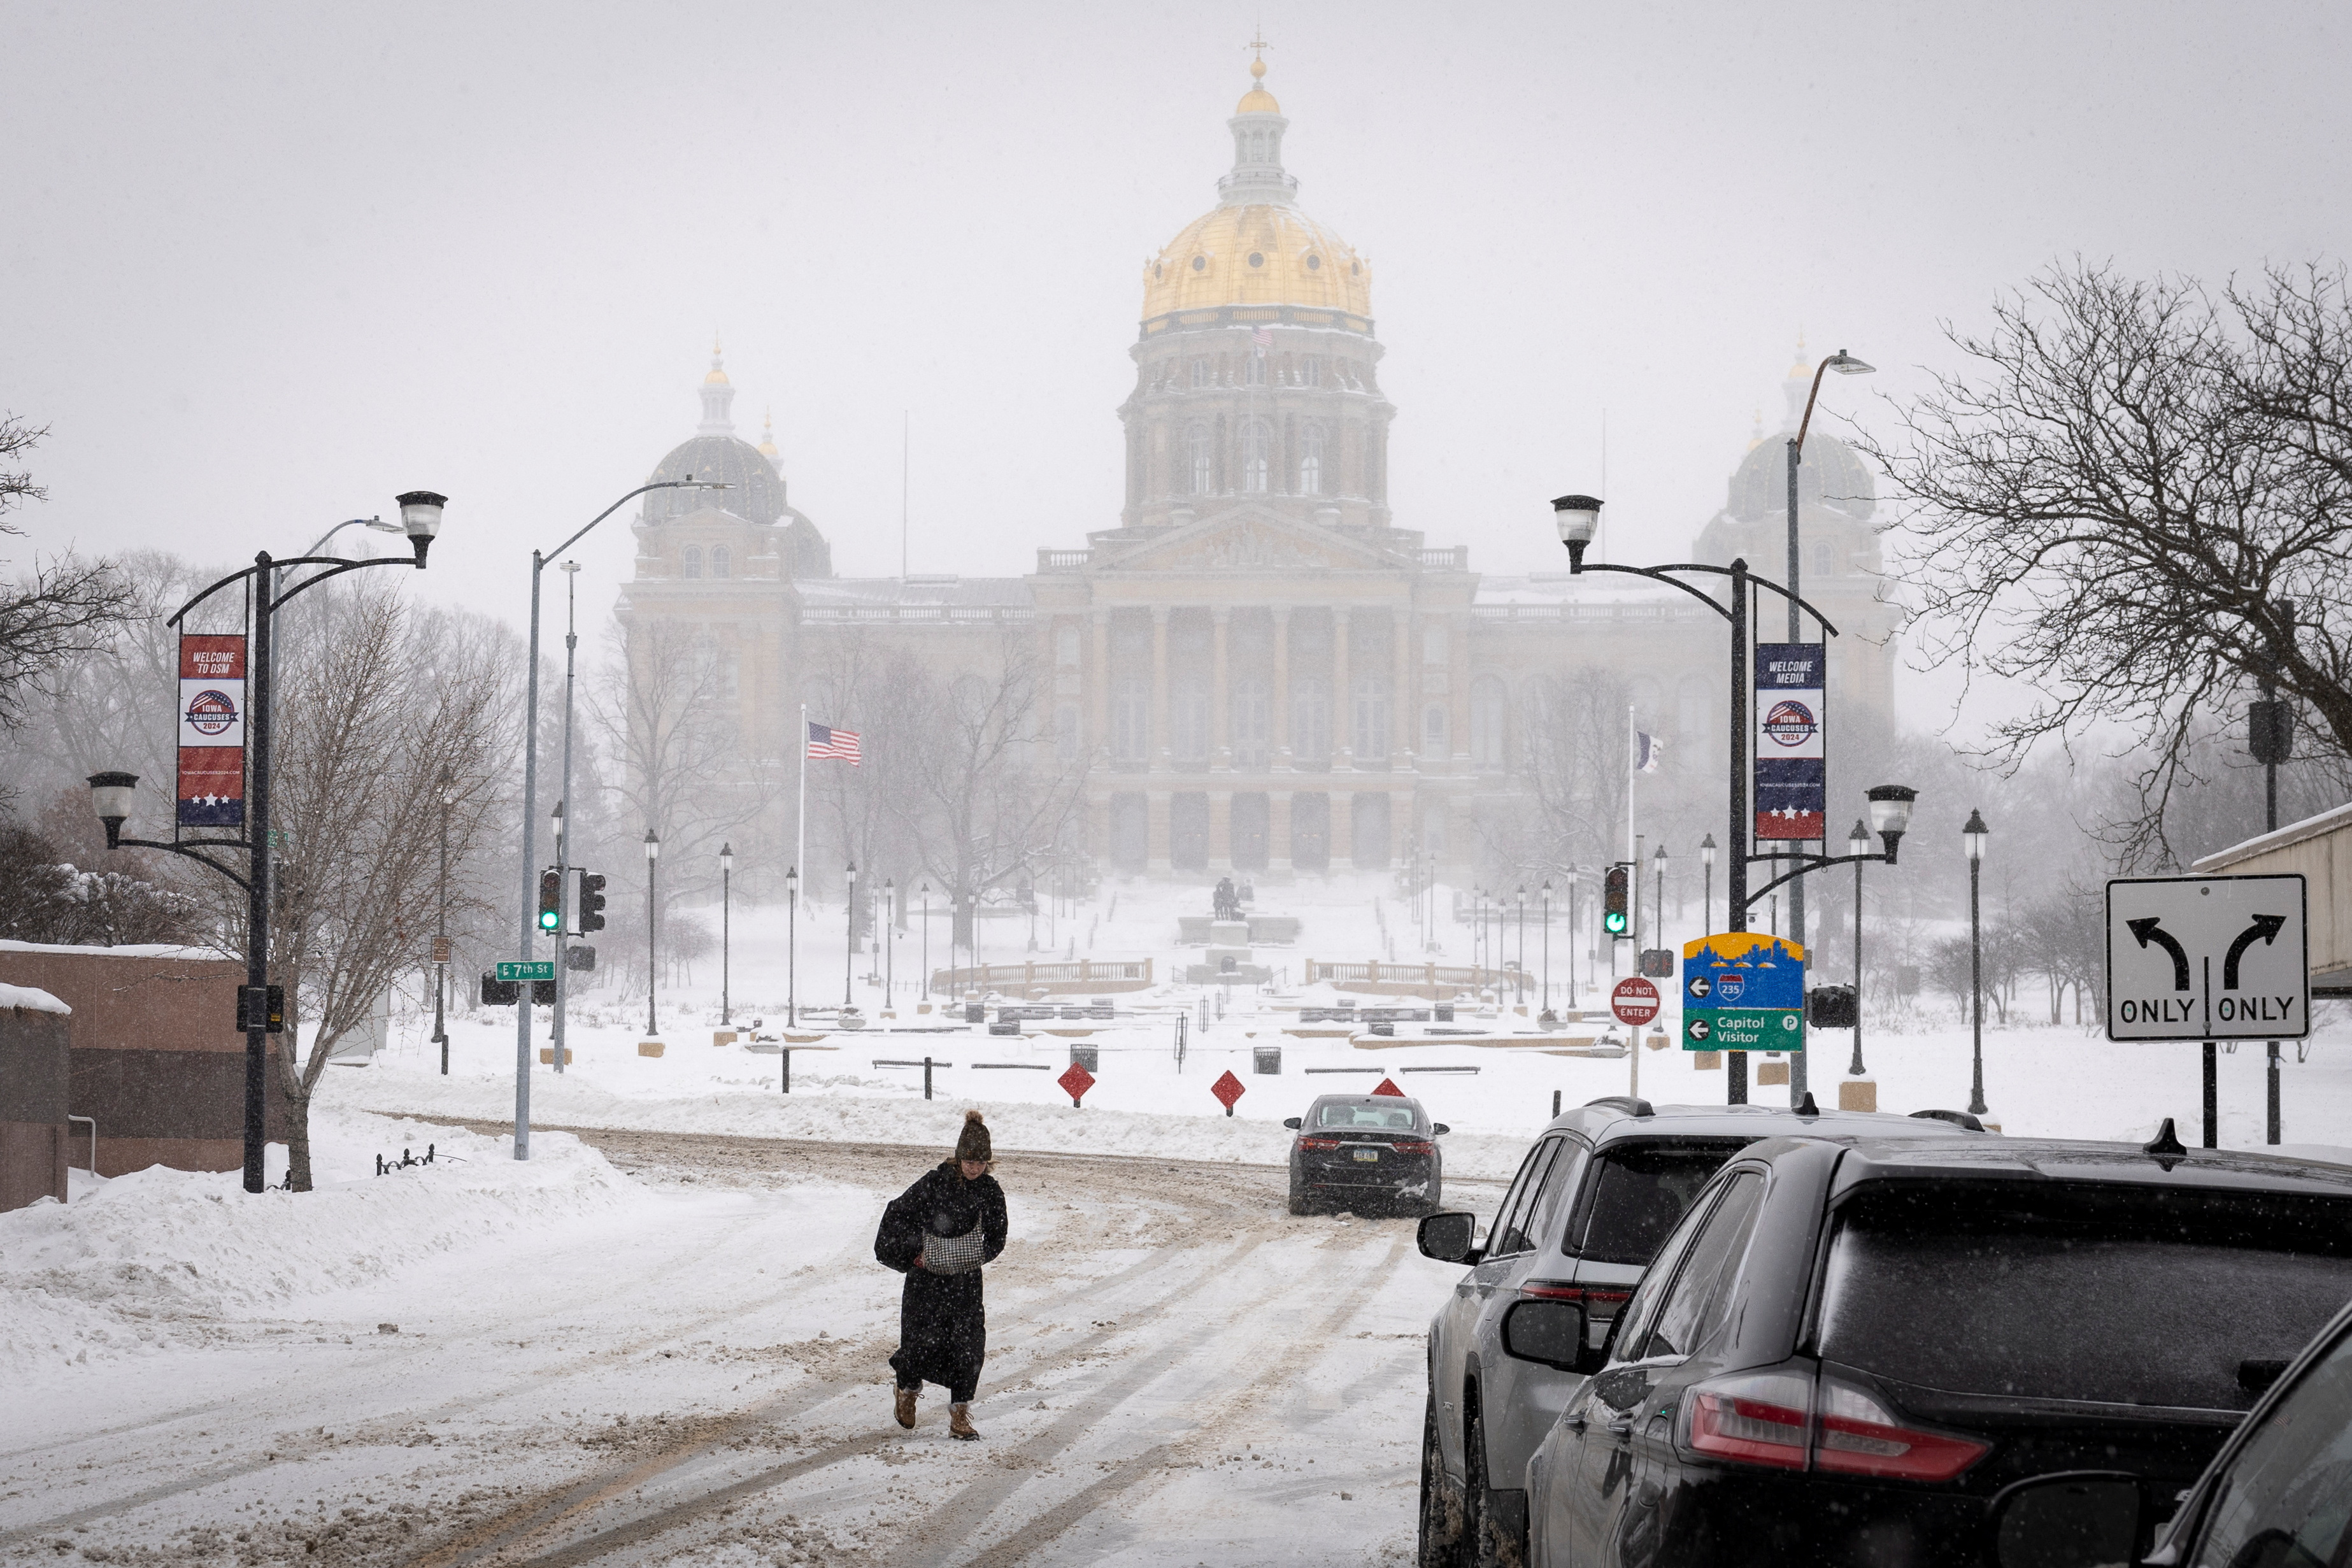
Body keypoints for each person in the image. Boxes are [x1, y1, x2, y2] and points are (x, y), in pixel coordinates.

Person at [875, 1109, 1008, 1438]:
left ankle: (960, 1414)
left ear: (988, 1163)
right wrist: (912, 1255)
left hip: (965, 1283)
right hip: (926, 1282)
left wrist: (973, 1255)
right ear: (958, 1157)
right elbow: (897, 1215)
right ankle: (906, 1391)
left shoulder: (990, 1192)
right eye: (969, 1161)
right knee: (920, 1343)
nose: (974, 1168)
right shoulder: (934, 1184)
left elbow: (997, 1235)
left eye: (980, 1163)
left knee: (968, 1346)